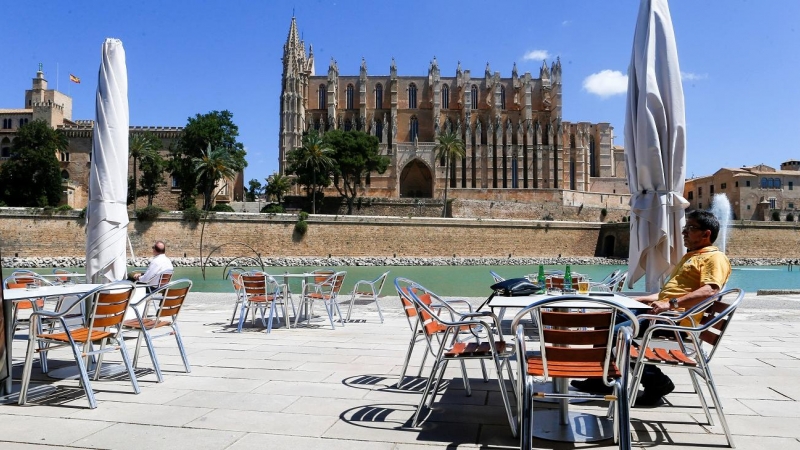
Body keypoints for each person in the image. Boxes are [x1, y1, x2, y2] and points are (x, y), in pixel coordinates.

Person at [572, 210, 731, 406]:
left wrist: (670, 304)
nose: (684, 233)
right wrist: (641, 299)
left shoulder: (714, 258)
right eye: (684, 228)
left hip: (674, 321)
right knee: (604, 321)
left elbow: (710, 291)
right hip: (663, 313)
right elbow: (667, 295)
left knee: (615, 333)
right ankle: (601, 379)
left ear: (706, 234)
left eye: (690, 228)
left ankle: (657, 382)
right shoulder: (691, 256)